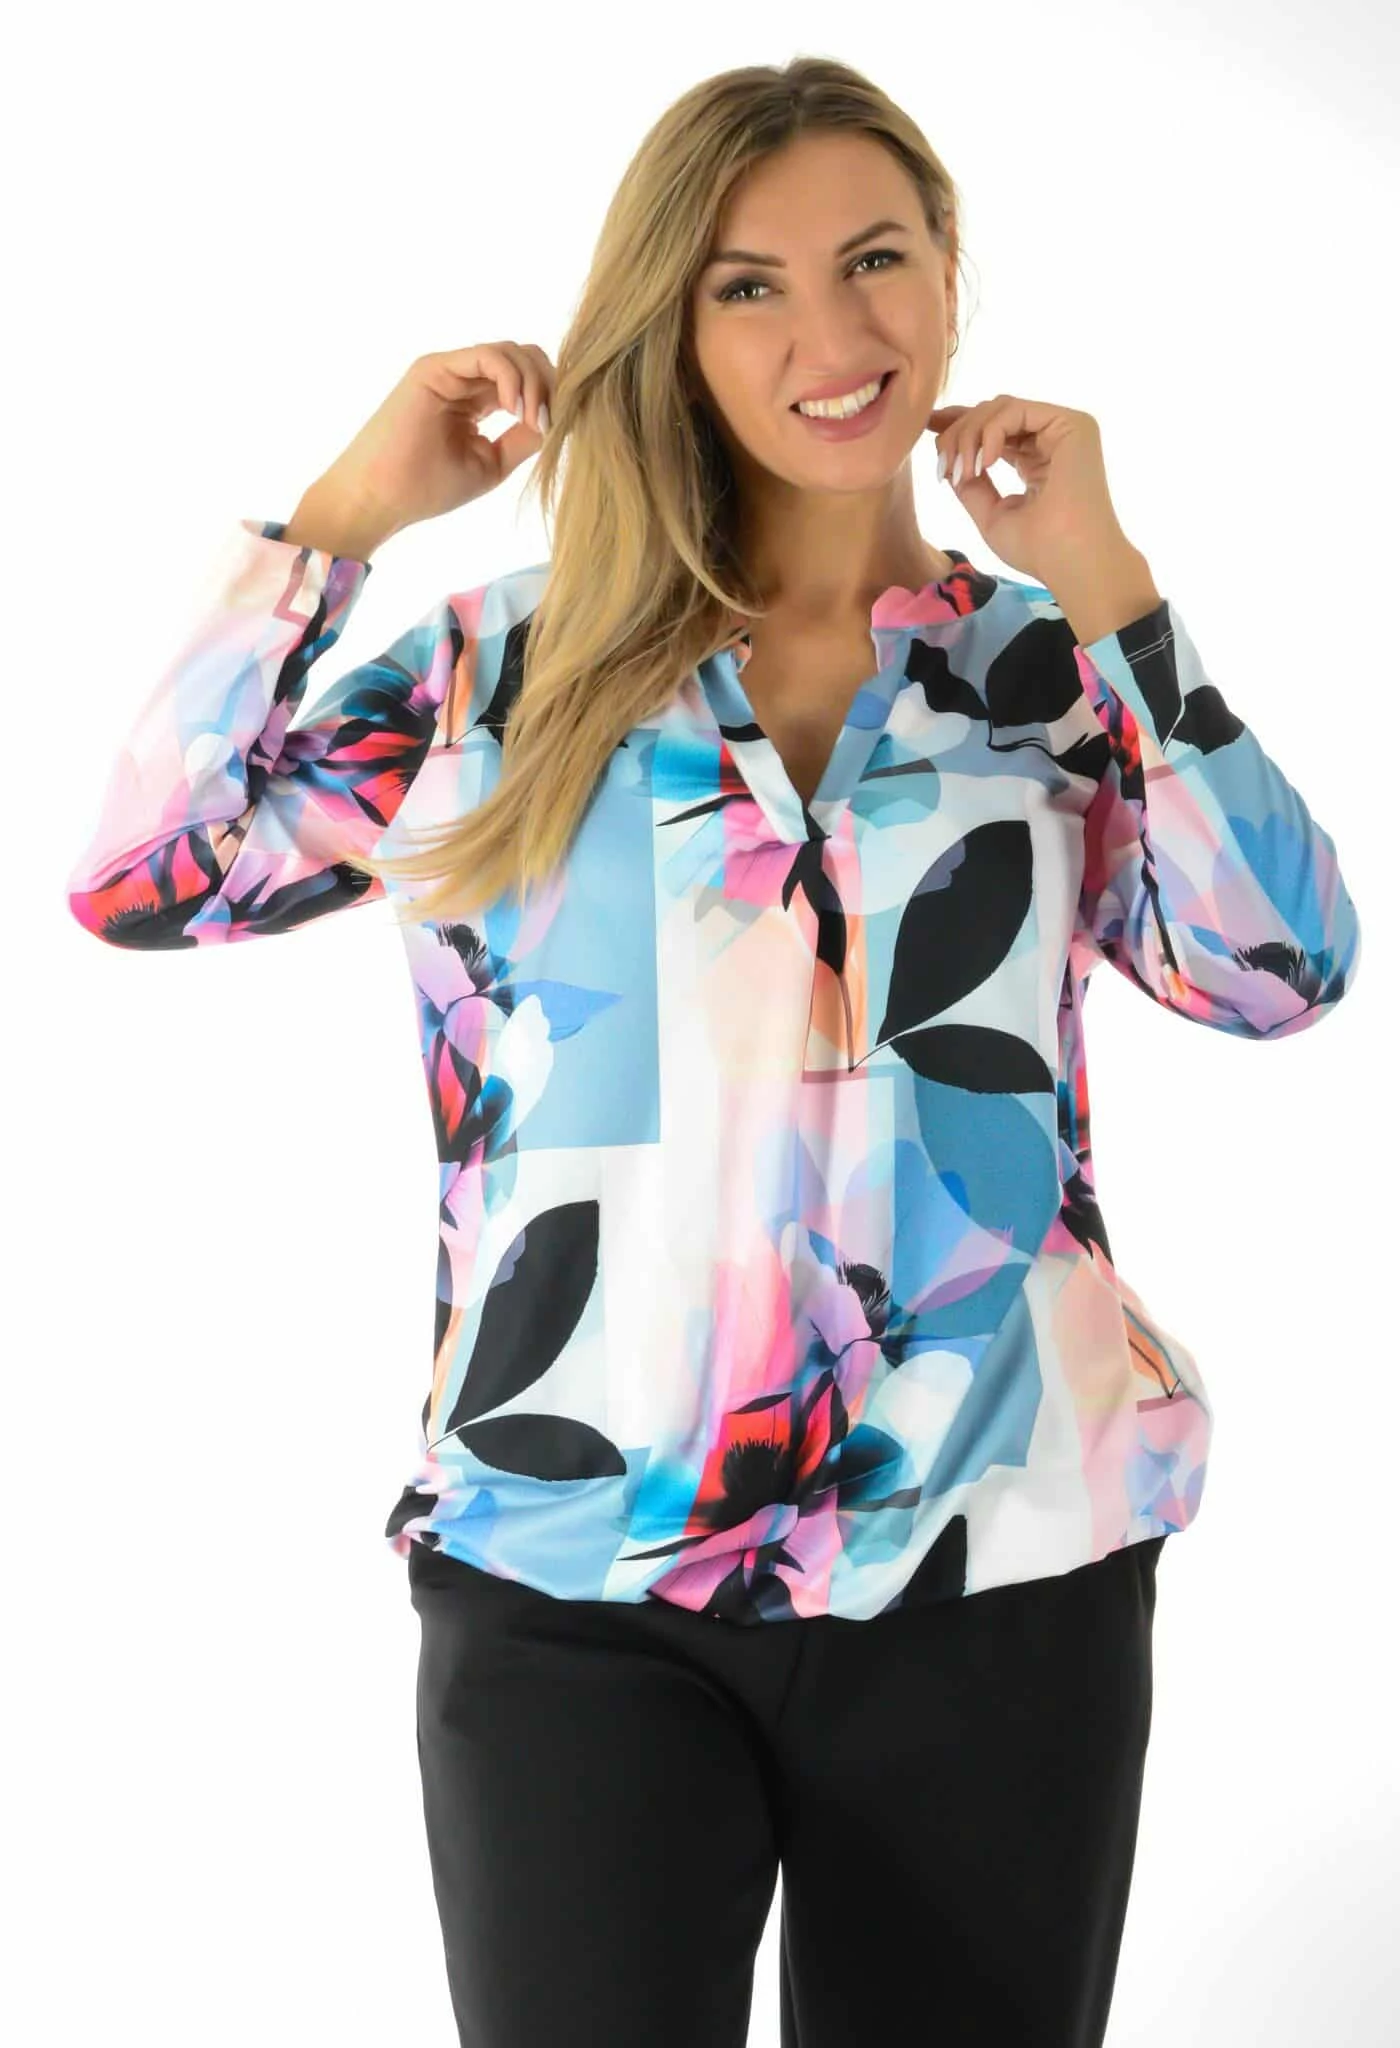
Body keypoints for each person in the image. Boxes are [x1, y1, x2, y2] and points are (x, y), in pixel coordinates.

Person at [66, 54, 1361, 2048]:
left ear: (948, 278)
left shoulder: (1042, 674)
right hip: (570, 1577)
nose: (830, 333)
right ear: (667, 326)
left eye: (876, 260)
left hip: (1000, 1560)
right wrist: (342, 518)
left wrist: (1110, 583)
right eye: (747, 285)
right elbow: (143, 876)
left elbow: (1285, 967)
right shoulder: (503, 670)